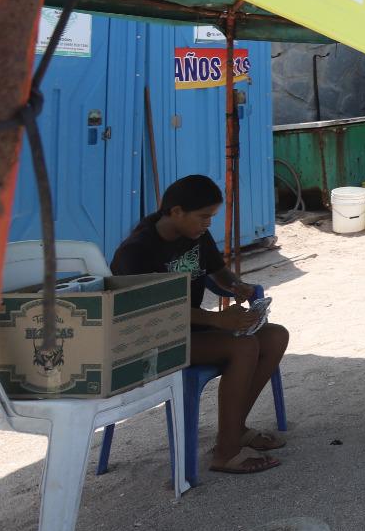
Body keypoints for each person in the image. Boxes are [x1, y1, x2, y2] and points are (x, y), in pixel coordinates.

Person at [111, 175, 288, 475]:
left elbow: (218, 273)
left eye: (212, 217)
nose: (208, 224)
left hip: (190, 328)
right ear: (176, 211)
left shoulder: (195, 235)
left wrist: (236, 286)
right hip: (150, 340)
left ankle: (235, 429)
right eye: (203, 216)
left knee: (274, 337)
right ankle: (226, 452)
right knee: (244, 348)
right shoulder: (137, 252)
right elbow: (147, 310)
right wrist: (215, 319)